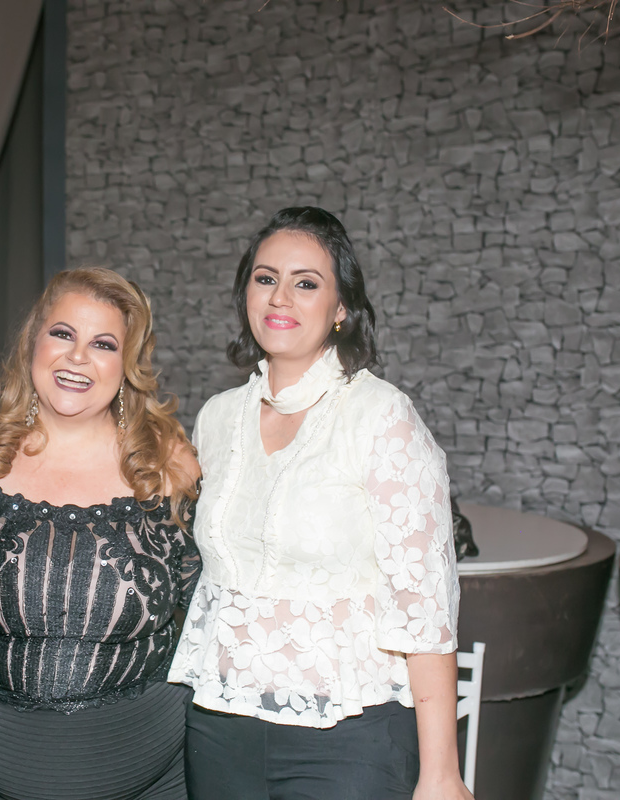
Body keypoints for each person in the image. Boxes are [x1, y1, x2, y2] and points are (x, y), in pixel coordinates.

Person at [169, 207, 472, 800]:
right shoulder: (217, 418)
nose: (280, 296)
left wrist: (441, 774)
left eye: (305, 283)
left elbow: (425, 609)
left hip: (349, 734)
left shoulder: (381, 416)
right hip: (220, 726)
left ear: (341, 309)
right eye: (265, 278)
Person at [0, 267, 201, 800]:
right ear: (34, 342)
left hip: (150, 777)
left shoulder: (170, 467)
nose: (77, 357)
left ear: (126, 364)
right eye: (62, 334)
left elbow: (210, 612)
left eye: (103, 344)